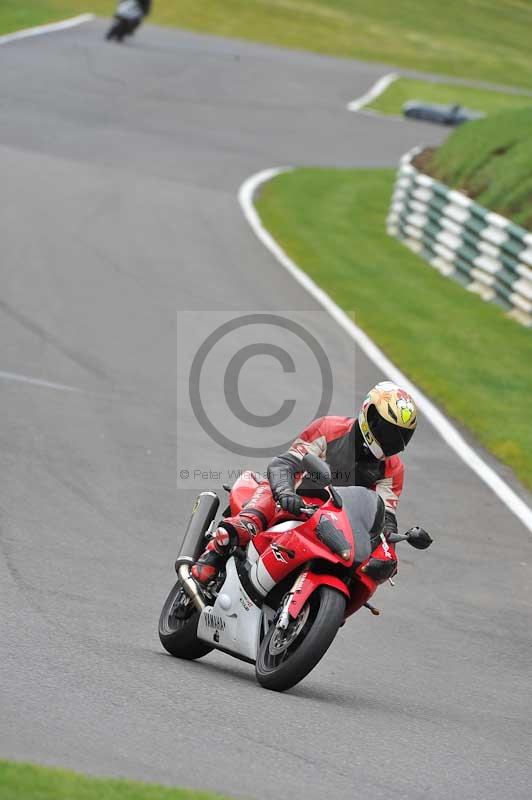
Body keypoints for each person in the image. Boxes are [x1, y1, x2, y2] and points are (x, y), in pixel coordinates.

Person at [192, 381, 417, 585]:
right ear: (370, 414)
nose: (392, 441)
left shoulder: (393, 469)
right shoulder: (330, 429)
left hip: (335, 526)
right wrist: (285, 493)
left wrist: (389, 556)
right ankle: (214, 552)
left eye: (400, 437)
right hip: (295, 500)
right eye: (388, 431)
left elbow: (385, 518)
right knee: (266, 500)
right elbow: (285, 464)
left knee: (360, 574)